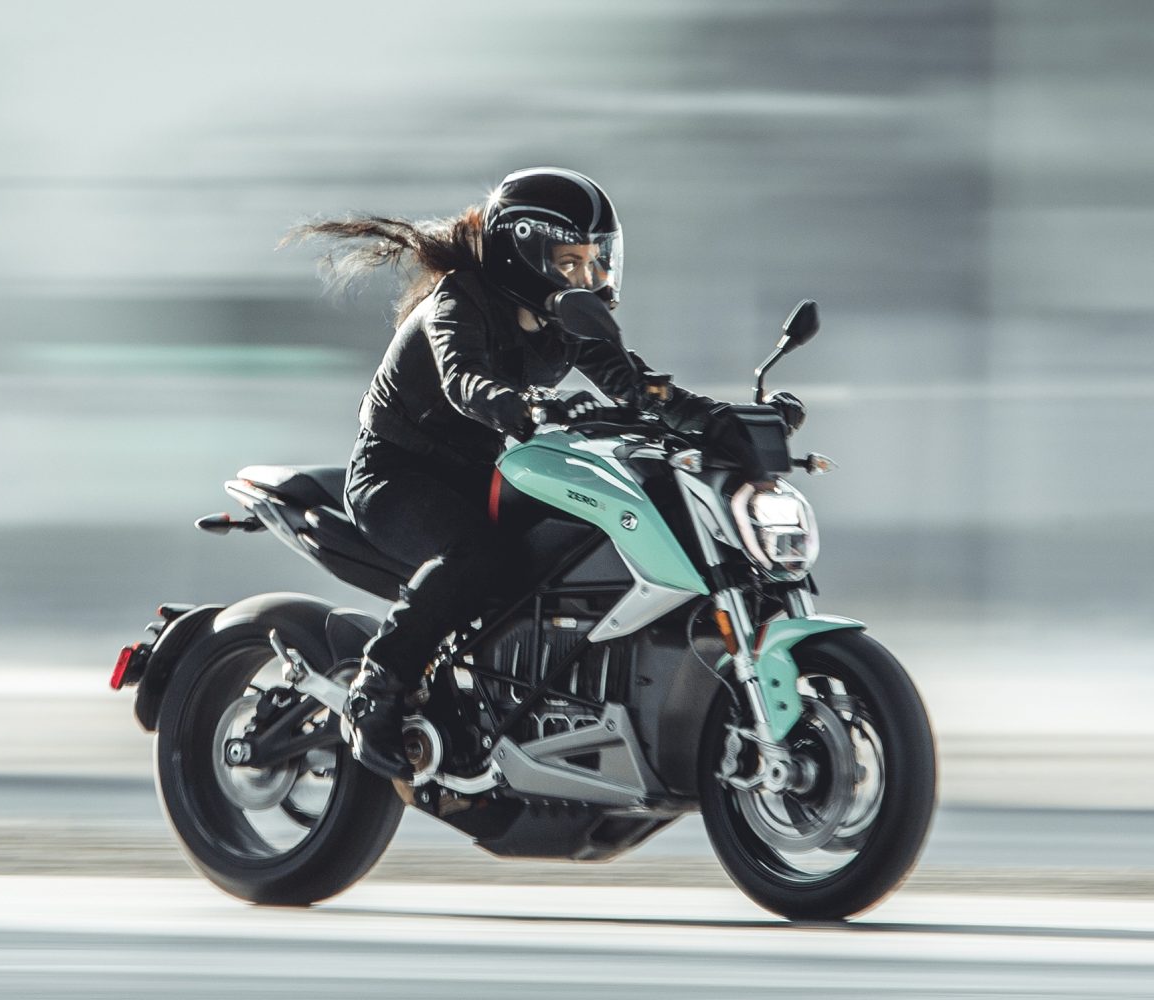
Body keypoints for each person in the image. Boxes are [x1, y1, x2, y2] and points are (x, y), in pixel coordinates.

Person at [287, 167, 805, 780]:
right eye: (570, 261)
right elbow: (465, 381)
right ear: (522, 254)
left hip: (489, 473)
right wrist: (525, 405)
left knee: (584, 539)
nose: (588, 276)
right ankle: (378, 687)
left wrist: (721, 421)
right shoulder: (458, 301)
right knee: (477, 559)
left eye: (596, 260)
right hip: (398, 475)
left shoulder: (567, 319)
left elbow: (636, 385)